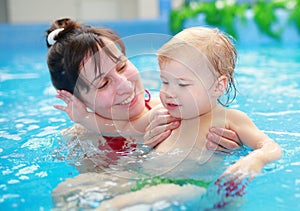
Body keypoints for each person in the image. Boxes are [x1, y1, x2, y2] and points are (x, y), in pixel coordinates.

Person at [46, 18, 241, 157]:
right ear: (76, 100)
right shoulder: (81, 142)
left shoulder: (169, 106)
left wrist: (227, 144)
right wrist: (143, 152)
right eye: (103, 83)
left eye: (122, 66)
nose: (125, 85)